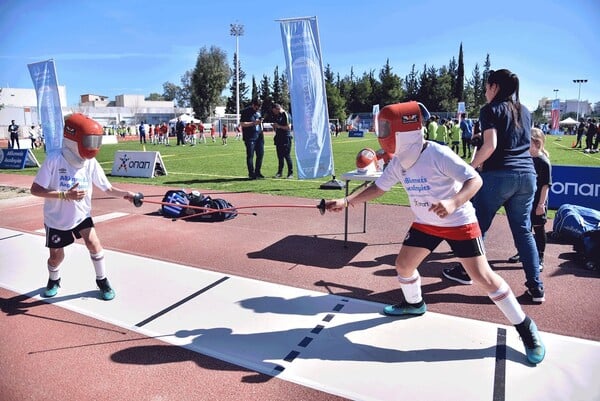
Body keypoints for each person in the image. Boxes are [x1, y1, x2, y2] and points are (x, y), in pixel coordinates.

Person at [325, 101, 545, 365]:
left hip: (458, 222)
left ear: (403, 130)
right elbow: (379, 188)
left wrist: (453, 202)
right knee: (404, 266)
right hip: (424, 222)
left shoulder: (437, 154)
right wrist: (347, 201)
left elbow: (475, 180)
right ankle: (414, 304)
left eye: (385, 127)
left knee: (483, 278)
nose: (381, 133)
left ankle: (525, 327)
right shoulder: (398, 162)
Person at [442, 69, 545, 303]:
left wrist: (467, 170)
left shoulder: (489, 110)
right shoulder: (525, 111)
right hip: (527, 175)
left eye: (487, 86)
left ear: (495, 87)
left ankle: (466, 271)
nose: (485, 91)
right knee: (523, 231)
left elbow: (490, 146)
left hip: (499, 174)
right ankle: (536, 287)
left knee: (477, 225)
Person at [29, 113, 138, 301]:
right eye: (89, 140)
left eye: (96, 141)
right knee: (56, 258)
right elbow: (35, 190)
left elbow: (107, 187)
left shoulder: (90, 163)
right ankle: (54, 279)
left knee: (94, 245)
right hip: (56, 219)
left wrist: (127, 195)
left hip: (82, 215)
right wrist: (65, 195)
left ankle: (102, 280)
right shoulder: (55, 159)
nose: (93, 146)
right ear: (73, 138)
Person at [507, 128, 551, 271]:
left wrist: (541, 204)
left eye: (528, 142)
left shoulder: (543, 162)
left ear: (536, 143)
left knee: (538, 229)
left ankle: (540, 257)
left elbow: (545, 185)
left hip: (538, 201)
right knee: (523, 229)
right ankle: (523, 252)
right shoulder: (524, 159)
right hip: (524, 201)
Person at [240, 99, 265, 179]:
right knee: (250, 155)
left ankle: (258, 172)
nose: (257, 109)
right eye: (256, 107)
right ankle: (251, 173)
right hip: (250, 137)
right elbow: (242, 124)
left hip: (259, 136)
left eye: (259, 107)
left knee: (260, 155)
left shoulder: (258, 112)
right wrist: (254, 123)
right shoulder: (246, 112)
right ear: (253, 105)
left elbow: (259, 123)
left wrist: (261, 123)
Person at [271, 103, 294, 179]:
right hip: (279, 138)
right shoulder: (277, 115)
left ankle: (290, 173)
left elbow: (288, 127)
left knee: (287, 156)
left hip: (286, 138)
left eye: (274, 111)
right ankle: (279, 172)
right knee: (279, 156)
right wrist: (275, 126)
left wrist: (279, 126)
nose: (274, 112)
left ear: (277, 108)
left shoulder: (285, 114)